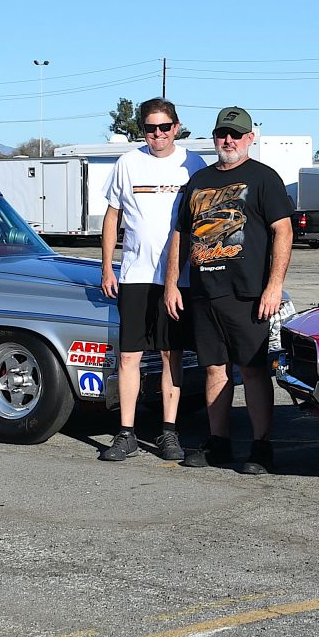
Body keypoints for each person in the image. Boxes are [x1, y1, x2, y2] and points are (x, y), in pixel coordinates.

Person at [164, 106, 294, 475]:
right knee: (214, 370)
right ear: (215, 136)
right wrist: (173, 283)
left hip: (248, 294)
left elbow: (283, 231)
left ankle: (261, 447)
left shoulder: (264, 178)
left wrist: (274, 286)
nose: (229, 140)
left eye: (236, 134)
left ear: (250, 138)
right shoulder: (200, 180)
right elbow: (182, 234)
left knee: (252, 371)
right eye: (223, 133)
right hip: (205, 293)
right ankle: (218, 442)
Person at [97, 99, 205, 462]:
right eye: (149, 128)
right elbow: (112, 217)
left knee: (170, 354)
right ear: (141, 129)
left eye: (164, 127)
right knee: (129, 356)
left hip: (179, 279)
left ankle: (169, 434)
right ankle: (125, 434)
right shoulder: (128, 162)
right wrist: (107, 266)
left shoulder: (193, 165)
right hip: (135, 274)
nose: (157, 134)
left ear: (176, 127)